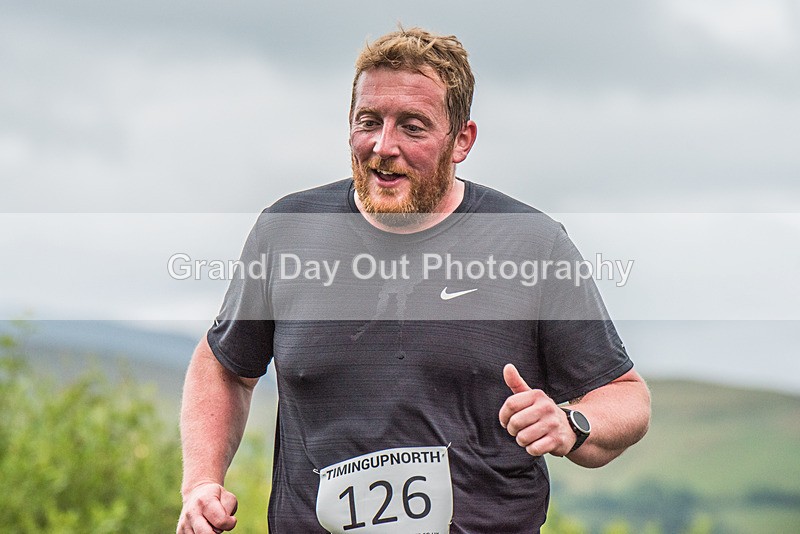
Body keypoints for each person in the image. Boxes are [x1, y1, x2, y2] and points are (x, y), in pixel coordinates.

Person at [177, 27, 651, 534]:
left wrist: (571, 424)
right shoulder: (289, 230)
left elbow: (625, 396)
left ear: (461, 141)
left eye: (412, 127)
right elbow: (226, 366)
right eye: (369, 122)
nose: (384, 146)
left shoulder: (530, 244)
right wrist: (201, 482)